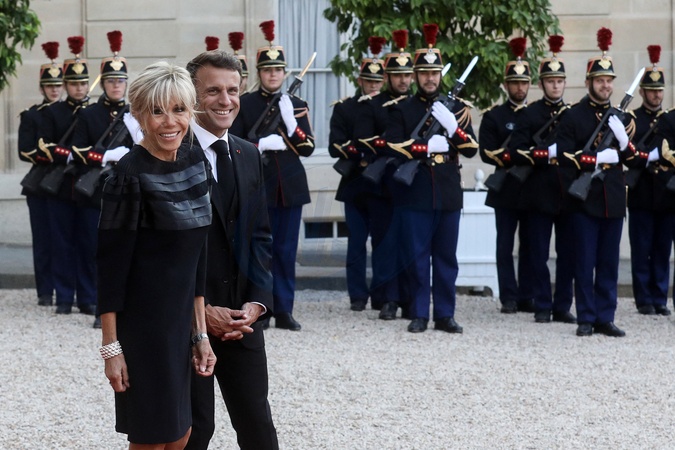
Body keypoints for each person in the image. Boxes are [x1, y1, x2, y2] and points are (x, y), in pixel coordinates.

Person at [97, 61, 216, 448]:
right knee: (153, 438)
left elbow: (197, 259)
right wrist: (112, 349)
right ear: (138, 115)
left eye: (179, 109)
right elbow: (111, 269)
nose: (170, 122)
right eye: (157, 111)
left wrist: (200, 335)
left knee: (183, 435)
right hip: (143, 329)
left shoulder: (196, 162)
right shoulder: (127, 175)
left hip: (181, 326)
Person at [184, 49, 278, 450]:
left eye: (233, 90)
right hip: (187, 324)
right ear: (192, 96)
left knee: (258, 427)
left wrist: (256, 303)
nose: (226, 101)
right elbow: (156, 256)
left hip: (243, 322)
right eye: (214, 91)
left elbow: (260, 237)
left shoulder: (248, 153)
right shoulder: (170, 154)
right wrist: (202, 312)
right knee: (195, 431)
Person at [556, 28, 648, 337]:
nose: (605, 86)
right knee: (584, 262)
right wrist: (594, 160)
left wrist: (623, 141)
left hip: (613, 198)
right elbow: (564, 156)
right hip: (585, 199)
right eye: (599, 81)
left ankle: (605, 316)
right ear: (589, 82)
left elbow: (635, 160)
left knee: (609, 263)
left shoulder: (623, 119)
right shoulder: (573, 116)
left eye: (609, 81)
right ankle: (586, 317)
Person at [386, 24, 478, 333]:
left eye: (434, 73)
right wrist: (425, 147)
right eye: (424, 73)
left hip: (448, 189)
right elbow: (392, 146)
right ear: (415, 75)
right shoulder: (403, 108)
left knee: (446, 257)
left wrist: (453, 128)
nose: (430, 78)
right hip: (416, 190)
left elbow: (471, 148)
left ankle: (444, 314)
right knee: (416, 256)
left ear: (441, 75)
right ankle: (418, 313)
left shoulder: (457, 109)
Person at [230, 20, 315, 331]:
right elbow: (234, 144)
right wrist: (259, 145)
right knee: (258, 251)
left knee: (286, 251)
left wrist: (292, 126)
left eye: (278, 70)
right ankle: (261, 309)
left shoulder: (297, 104)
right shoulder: (246, 103)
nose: (273, 75)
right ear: (259, 73)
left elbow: (308, 147)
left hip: (288, 187)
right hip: (256, 186)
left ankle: (284, 310)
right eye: (268, 70)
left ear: (284, 72)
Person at [507, 35, 577, 324]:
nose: (555, 86)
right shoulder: (530, 114)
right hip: (538, 190)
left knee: (568, 253)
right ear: (541, 84)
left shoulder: (573, 114)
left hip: (567, 190)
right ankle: (542, 304)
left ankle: (562, 305)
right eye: (550, 81)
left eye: (559, 81)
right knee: (537, 253)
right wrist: (541, 154)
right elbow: (515, 150)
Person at [70, 31, 136, 329]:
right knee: (91, 248)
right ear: (103, 83)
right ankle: (92, 301)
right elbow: (77, 150)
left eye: (120, 80)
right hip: (95, 192)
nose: (116, 85)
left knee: (120, 251)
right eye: (111, 81)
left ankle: (117, 305)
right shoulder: (89, 114)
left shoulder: (134, 114)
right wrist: (106, 156)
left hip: (125, 193)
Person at [353, 29, 415, 320]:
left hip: (413, 184)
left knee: (411, 244)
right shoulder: (373, 105)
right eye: (397, 75)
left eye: (407, 75)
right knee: (386, 244)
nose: (403, 80)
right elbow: (363, 139)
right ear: (388, 77)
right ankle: (387, 298)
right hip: (383, 186)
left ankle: (411, 299)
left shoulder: (418, 106)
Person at [36, 36, 93, 316]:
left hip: (88, 188)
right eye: (73, 83)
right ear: (66, 85)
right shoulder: (53, 112)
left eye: (83, 83)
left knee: (87, 243)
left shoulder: (94, 112)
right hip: (60, 186)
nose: (79, 88)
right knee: (61, 243)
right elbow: (45, 146)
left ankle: (87, 297)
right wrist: (73, 154)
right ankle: (64, 297)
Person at [328, 36, 385, 311]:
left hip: (382, 183)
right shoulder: (345, 108)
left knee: (383, 243)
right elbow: (335, 145)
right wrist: (358, 153)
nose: (373, 86)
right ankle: (358, 296)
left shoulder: (389, 109)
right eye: (369, 81)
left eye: (377, 81)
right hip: (354, 182)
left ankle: (382, 295)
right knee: (356, 243)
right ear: (360, 80)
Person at [479, 38, 535, 314]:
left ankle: (527, 295)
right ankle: (509, 297)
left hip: (532, 187)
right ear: (506, 85)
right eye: (514, 83)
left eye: (523, 83)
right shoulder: (495, 116)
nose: (519, 88)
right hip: (506, 188)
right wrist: (517, 156)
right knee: (504, 245)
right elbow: (486, 152)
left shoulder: (537, 114)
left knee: (530, 245)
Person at [17, 41, 63, 307]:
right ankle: (45, 290)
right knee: (44, 238)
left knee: (66, 239)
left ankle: (67, 288)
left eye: (58, 86)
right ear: (42, 88)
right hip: (41, 183)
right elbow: (24, 151)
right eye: (49, 86)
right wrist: (51, 154)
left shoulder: (74, 114)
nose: (54, 90)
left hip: (66, 183)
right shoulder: (32, 115)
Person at [626, 45, 671, 316]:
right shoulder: (633, 120)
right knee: (641, 248)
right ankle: (643, 299)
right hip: (642, 191)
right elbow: (628, 154)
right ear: (642, 92)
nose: (656, 95)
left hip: (666, 193)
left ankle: (660, 297)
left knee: (662, 248)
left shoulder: (670, 120)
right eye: (651, 90)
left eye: (659, 90)